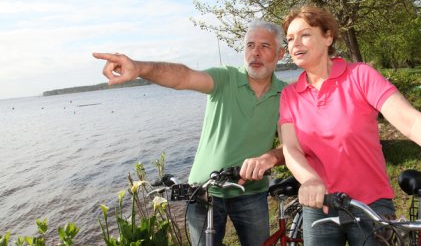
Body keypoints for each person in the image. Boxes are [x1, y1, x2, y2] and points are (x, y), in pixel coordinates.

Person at [278, 5, 421, 246]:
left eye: (304, 34)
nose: (295, 44)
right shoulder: (290, 96)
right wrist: (309, 179)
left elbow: (410, 121)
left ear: (328, 37)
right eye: (290, 38)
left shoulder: (360, 76)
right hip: (318, 204)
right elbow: (291, 148)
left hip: (369, 204)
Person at [93, 19, 287, 246]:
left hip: (252, 194)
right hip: (204, 193)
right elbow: (183, 76)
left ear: (280, 53)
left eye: (264, 46)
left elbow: (289, 146)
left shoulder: (285, 95)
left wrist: (269, 158)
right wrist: (140, 69)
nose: (255, 53)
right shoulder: (226, 78)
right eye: (250, 45)